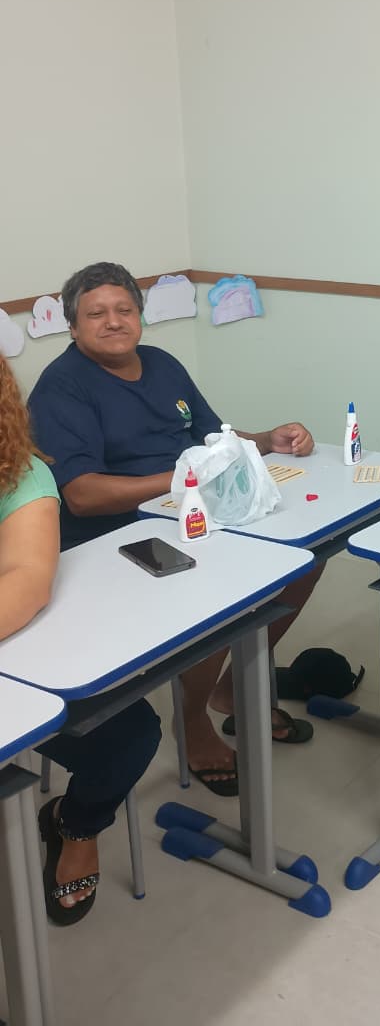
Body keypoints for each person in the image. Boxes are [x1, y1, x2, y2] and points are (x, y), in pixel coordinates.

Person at [29, 261, 322, 795]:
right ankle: (191, 720)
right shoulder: (62, 389)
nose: (113, 321)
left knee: (304, 561)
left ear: (140, 316)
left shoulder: (162, 364)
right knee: (222, 593)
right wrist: (183, 477)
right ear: (72, 326)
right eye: (96, 314)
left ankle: (232, 690)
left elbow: (214, 440)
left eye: (124, 309)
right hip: (112, 540)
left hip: (186, 511)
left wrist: (266, 439)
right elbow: (82, 495)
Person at [0, 351, 160, 925]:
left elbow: (25, 581)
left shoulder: (20, 472)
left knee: (130, 736)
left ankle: (76, 825)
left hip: (19, 654)